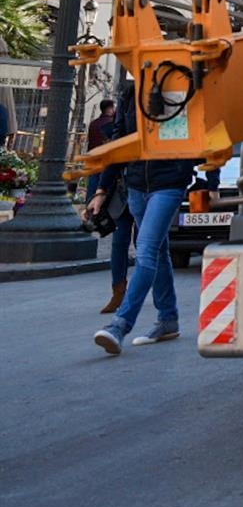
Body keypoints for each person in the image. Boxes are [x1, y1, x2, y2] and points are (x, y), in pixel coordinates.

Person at [90, 110, 197, 355]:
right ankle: (168, 318)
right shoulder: (131, 94)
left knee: (146, 251)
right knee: (158, 251)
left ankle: (120, 325)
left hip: (169, 183)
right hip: (136, 186)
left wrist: (210, 182)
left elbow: (203, 132)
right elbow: (119, 145)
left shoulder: (184, 87)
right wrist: (102, 190)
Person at [85, 98, 134, 315]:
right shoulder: (124, 108)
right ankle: (119, 293)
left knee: (148, 246)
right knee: (123, 242)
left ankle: (131, 295)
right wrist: (100, 192)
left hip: (142, 188)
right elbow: (114, 157)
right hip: (123, 190)